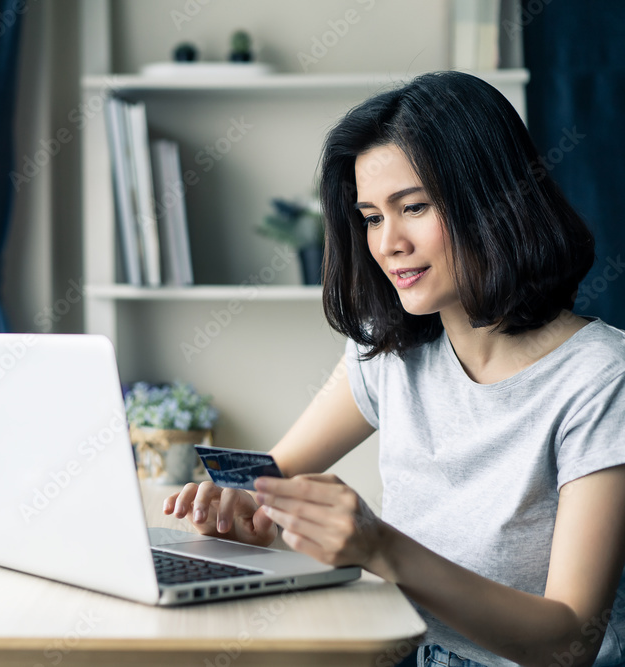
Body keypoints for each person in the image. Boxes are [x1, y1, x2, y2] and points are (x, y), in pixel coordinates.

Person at [163, 71, 625, 667]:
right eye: (371, 217)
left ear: (493, 202)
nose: (388, 244)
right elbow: (266, 478)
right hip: (398, 649)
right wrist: (235, 504)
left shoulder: (600, 379)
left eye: (413, 207)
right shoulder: (388, 351)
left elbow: (569, 643)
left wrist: (379, 545)